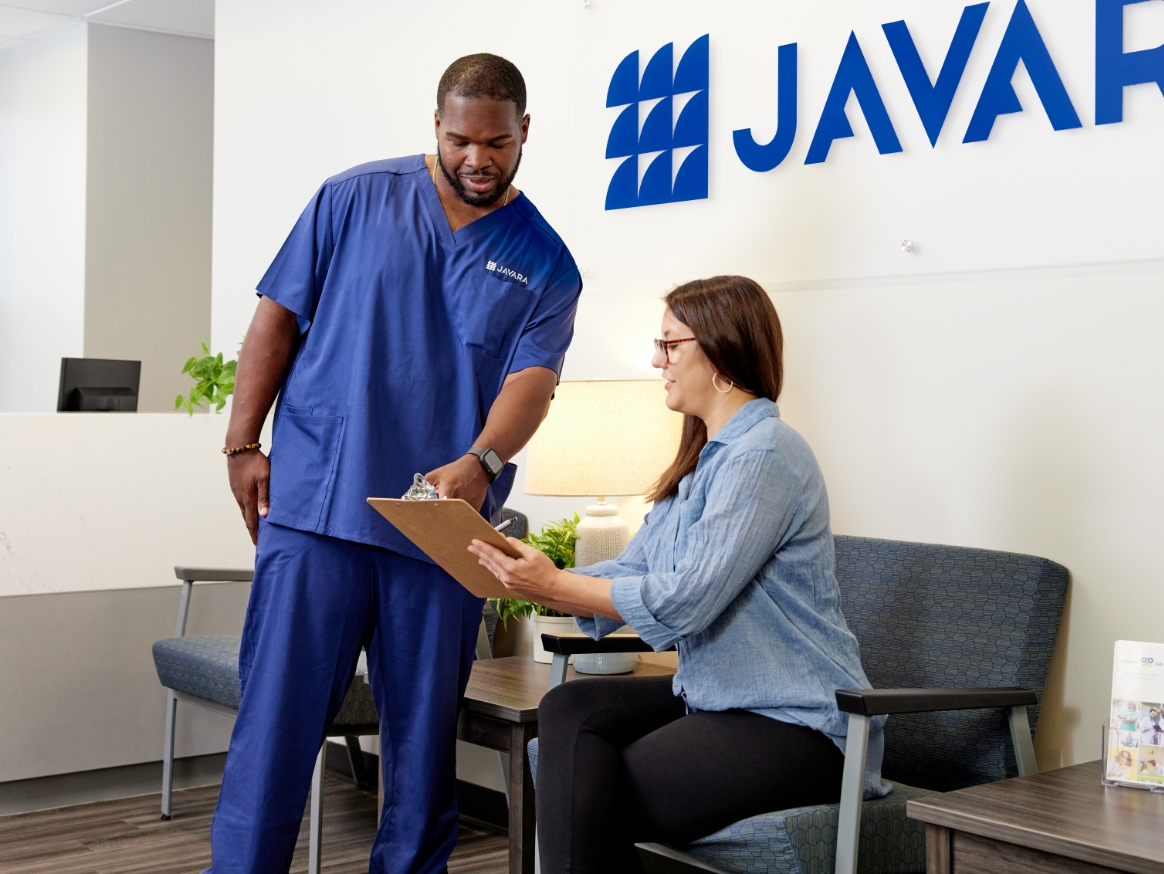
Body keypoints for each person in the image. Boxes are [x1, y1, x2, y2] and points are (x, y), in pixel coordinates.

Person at [207, 54, 582, 874]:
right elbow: (274, 321)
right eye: (460, 140)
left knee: (418, 755)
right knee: (273, 730)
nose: (477, 158)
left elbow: (533, 380)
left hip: (438, 538)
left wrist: (482, 460)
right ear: (436, 128)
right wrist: (243, 443)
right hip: (319, 509)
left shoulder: (546, 260)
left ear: (526, 132)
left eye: (497, 142)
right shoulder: (352, 198)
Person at [470, 276, 889, 873]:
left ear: (718, 350)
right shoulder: (702, 464)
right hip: (720, 700)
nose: (655, 360)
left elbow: (687, 600)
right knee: (567, 709)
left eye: (670, 344)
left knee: (591, 791)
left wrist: (556, 587)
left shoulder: (764, 455)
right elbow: (638, 567)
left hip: (800, 722)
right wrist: (528, 572)